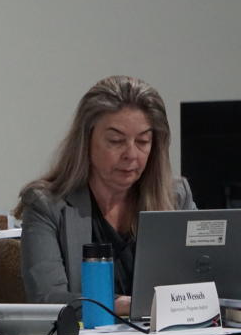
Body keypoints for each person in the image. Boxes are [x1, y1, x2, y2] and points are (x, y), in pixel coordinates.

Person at [14, 75, 196, 314]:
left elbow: (204, 282)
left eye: (143, 141)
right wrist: (123, 305)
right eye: (116, 141)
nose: (131, 154)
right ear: (86, 140)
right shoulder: (46, 204)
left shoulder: (176, 197)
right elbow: (47, 300)